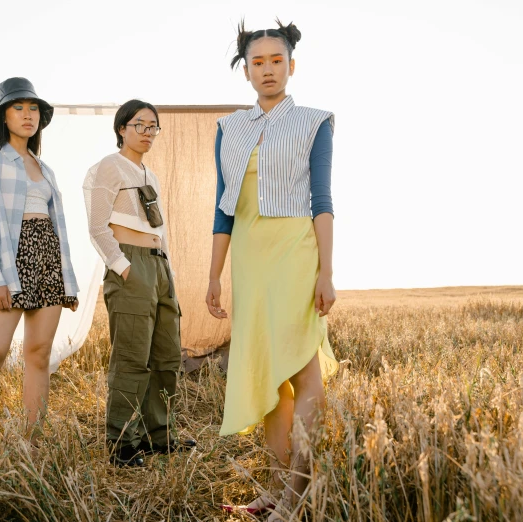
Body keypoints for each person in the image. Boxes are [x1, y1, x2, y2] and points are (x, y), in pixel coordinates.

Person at [205, 21, 340, 519]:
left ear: (292, 65)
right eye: (257, 62)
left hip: (294, 251)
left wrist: (326, 271)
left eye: (276, 60)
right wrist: (214, 275)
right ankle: (275, 488)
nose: (267, 69)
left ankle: (296, 497)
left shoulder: (315, 120)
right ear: (245, 70)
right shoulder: (229, 127)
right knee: (268, 375)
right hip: (248, 257)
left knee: (302, 369)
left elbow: (322, 201)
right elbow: (223, 209)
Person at [0, 77, 79, 439]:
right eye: (18, 108)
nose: (27, 115)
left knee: (38, 356)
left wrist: (65, 281)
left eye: (33, 108)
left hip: (48, 259)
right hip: (11, 260)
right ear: (3, 117)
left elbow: (60, 230)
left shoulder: (45, 168)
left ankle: (30, 445)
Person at [83, 99, 196, 467]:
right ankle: (122, 444)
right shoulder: (108, 167)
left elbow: (158, 228)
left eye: (153, 127)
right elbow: (98, 227)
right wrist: (122, 266)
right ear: (121, 129)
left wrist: (168, 272)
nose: (147, 132)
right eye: (140, 125)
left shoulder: (151, 175)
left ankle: (158, 436)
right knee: (131, 358)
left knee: (165, 355)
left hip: (159, 267)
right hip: (131, 265)